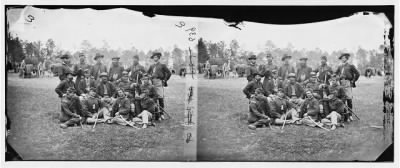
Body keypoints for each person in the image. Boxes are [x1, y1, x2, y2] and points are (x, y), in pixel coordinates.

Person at [335, 53, 360, 121]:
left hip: (348, 83)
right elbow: (335, 73)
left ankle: (350, 115)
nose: (342, 59)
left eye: (344, 58)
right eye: (341, 58)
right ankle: (345, 114)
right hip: (341, 83)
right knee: (342, 99)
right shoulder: (340, 66)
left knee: (349, 99)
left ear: (346, 58)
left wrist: (353, 81)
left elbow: (357, 74)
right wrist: (337, 77)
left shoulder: (351, 66)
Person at [147, 52, 171, 120]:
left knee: (160, 98)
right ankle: (155, 113)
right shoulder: (151, 66)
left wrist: (165, 80)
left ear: (159, 58)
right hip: (152, 83)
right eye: (154, 57)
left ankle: (162, 114)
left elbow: (169, 73)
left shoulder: (162, 65)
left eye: (156, 57)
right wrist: (150, 77)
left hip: (159, 82)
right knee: (153, 98)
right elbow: (147, 73)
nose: (155, 58)